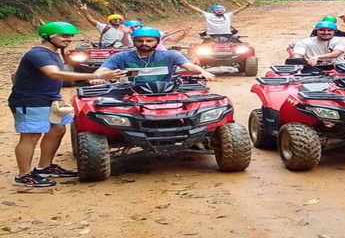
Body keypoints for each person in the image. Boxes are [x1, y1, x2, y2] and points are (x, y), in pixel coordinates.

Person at [8, 22, 125, 187]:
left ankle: (44, 167)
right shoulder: (39, 54)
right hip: (30, 100)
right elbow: (54, 74)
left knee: (57, 130)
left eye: (70, 36)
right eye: (64, 36)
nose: (68, 39)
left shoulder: (53, 53)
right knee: (31, 136)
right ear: (49, 36)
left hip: (50, 99)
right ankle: (23, 175)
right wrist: (92, 76)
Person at [94, 27, 215, 83]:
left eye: (149, 41)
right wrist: (96, 78)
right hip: (130, 95)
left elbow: (189, 66)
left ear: (157, 42)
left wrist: (203, 72)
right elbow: (102, 70)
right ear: (134, 42)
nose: (144, 43)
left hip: (165, 92)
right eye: (140, 41)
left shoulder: (170, 55)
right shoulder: (121, 57)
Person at [179, 0, 255, 37]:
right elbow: (197, 9)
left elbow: (238, 10)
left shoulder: (228, 15)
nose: (220, 11)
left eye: (222, 10)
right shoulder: (208, 15)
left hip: (227, 36)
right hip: (210, 37)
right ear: (213, 11)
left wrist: (247, 5)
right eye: (217, 10)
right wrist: (188, 5)